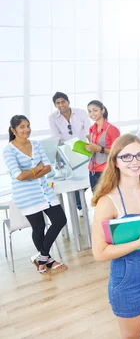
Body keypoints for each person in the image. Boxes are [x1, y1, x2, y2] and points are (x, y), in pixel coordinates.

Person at [91, 134, 140, 339]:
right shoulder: (107, 202)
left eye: (139, 155)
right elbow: (99, 253)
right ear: (115, 161)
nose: (134, 161)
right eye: (126, 157)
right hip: (127, 277)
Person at [4, 115, 68, 274]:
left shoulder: (37, 144)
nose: (26, 130)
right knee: (38, 227)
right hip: (26, 195)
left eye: (28, 126)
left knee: (60, 220)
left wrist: (31, 173)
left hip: (44, 191)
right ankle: (49, 260)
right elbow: (18, 176)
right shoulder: (9, 150)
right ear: (13, 130)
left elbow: (48, 167)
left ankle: (42, 257)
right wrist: (37, 169)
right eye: (21, 127)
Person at [85, 100, 120, 191]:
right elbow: (94, 148)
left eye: (95, 110)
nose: (92, 113)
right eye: (89, 111)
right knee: (96, 200)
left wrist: (99, 148)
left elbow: (118, 152)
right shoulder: (91, 129)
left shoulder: (112, 129)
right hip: (92, 170)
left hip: (107, 170)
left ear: (102, 110)